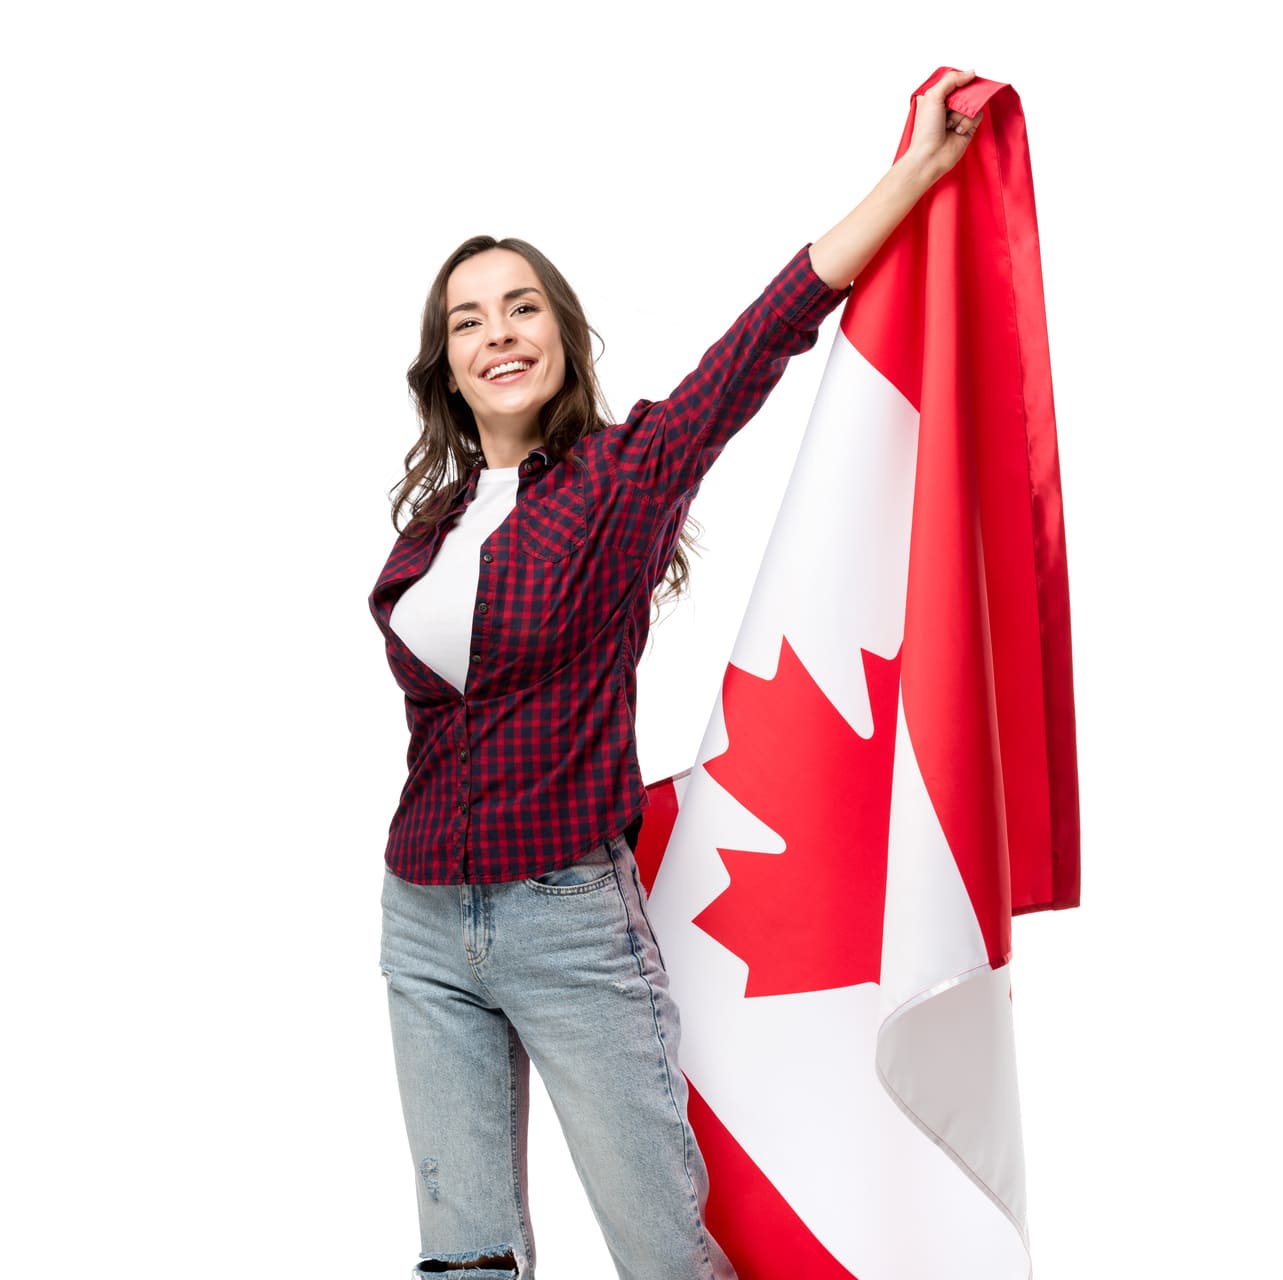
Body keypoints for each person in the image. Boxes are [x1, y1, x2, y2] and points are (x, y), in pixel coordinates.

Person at [368, 69, 984, 1280]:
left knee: (661, 1254)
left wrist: (914, 173)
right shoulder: (433, 524)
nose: (499, 332)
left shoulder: (624, 473)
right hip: (421, 915)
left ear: (561, 333)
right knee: (463, 1256)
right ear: (446, 364)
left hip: (567, 918)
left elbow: (764, 333)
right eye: (469, 320)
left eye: (522, 307)